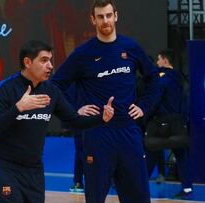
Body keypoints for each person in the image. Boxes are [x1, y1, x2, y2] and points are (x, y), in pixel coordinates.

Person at [51, 0, 161, 202]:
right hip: (97, 134)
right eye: (100, 17)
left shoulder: (131, 47)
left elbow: (154, 79)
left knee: (139, 197)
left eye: (109, 15)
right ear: (93, 20)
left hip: (129, 132)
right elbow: (55, 85)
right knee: (95, 198)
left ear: (116, 16)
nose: (105, 20)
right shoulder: (83, 54)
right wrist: (76, 110)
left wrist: (144, 106)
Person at [0, 40, 114, 203]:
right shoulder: (7, 88)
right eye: (44, 60)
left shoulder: (52, 91)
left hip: (34, 170)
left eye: (50, 60)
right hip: (5, 168)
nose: (50, 66)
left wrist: (101, 118)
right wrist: (18, 108)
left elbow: (74, 121)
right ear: (27, 62)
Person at [145, 49, 193, 200]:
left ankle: (139, 186)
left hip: (162, 122)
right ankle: (187, 189)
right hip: (179, 122)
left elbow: (155, 100)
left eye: (159, 59)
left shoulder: (162, 78)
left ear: (165, 60)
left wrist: (145, 116)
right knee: (182, 156)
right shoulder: (180, 78)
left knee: (150, 153)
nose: (157, 63)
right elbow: (185, 101)